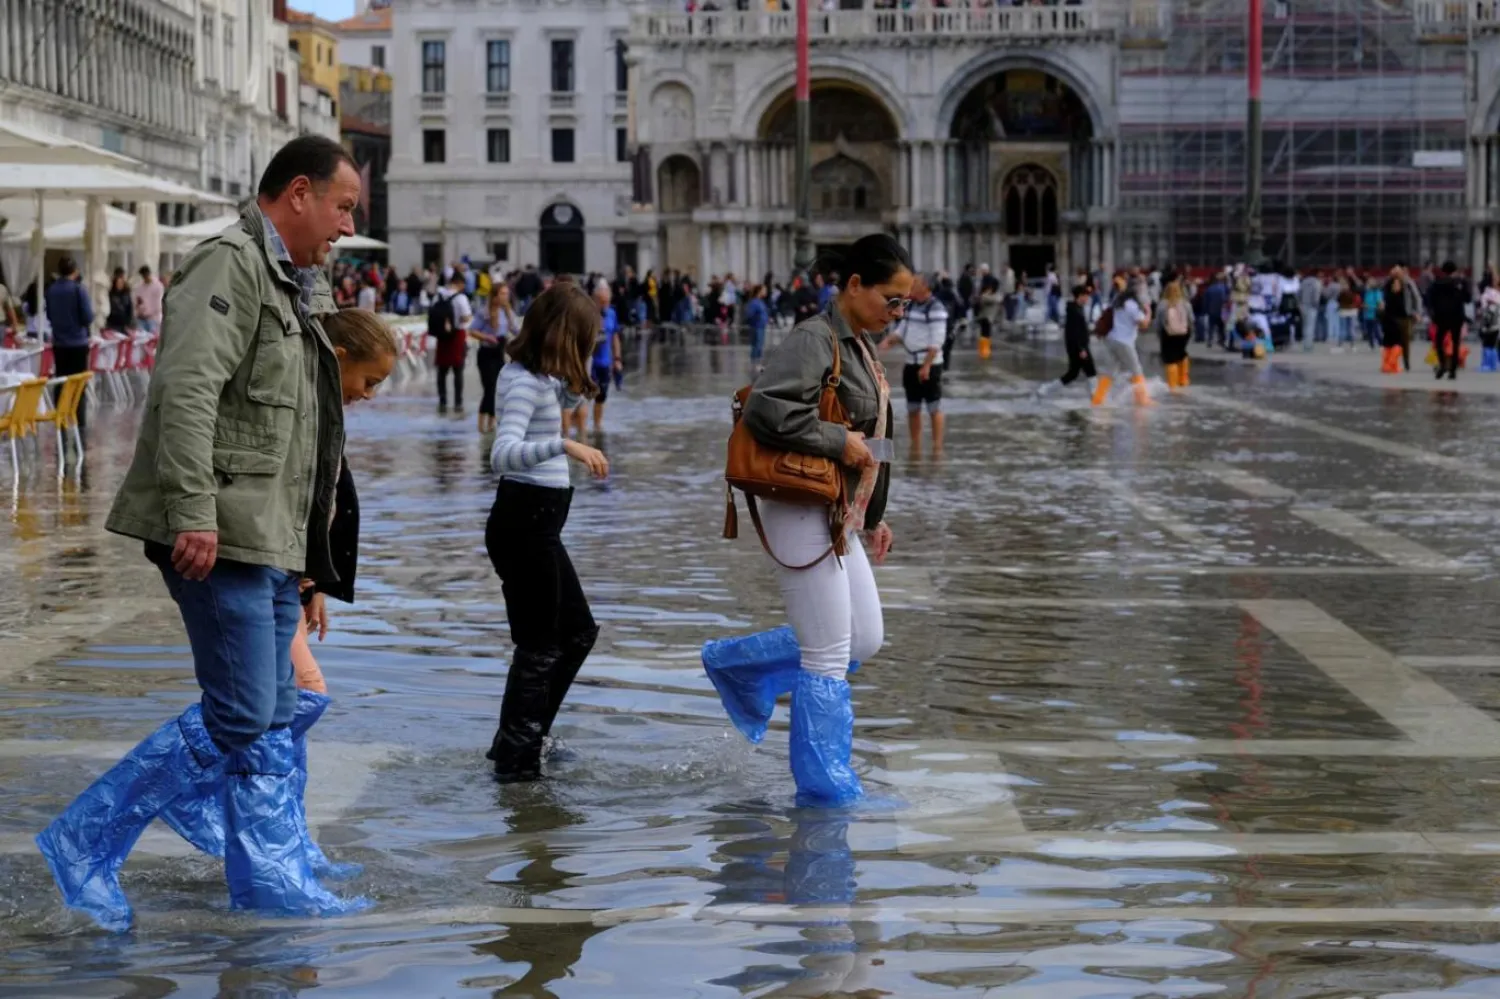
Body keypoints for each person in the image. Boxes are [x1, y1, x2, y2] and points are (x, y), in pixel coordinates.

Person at [37, 135, 366, 931]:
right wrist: (190, 510)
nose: (348, 225)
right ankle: (86, 838)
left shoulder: (294, 282)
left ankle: (270, 882)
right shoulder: (229, 263)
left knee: (275, 714)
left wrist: (308, 557)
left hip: (272, 538)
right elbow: (185, 391)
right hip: (221, 527)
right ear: (298, 193)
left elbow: (301, 430)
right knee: (243, 715)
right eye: (343, 205)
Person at [150, 308, 398, 883]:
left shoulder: (319, 402)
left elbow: (320, 493)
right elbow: (278, 484)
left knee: (285, 704)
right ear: (339, 361)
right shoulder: (297, 395)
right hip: (255, 560)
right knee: (267, 705)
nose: (372, 395)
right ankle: (254, 839)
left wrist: (315, 578)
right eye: (371, 381)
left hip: (285, 569)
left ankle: (280, 845)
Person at [704, 233, 909, 808]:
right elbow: (769, 409)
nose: (897, 312)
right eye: (891, 299)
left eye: (904, 303)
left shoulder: (860, 346)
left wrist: (874, 517)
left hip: (839, 509)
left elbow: (874, 440)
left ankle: (737, 666)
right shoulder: (814, 340)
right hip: (797, 504)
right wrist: (836, 443)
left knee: (864, 638)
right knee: (825, 654)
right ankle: (825, 792)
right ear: (854, 286)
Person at [484, 284, 610, 781]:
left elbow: (569, 394)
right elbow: (502, 454)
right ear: (561, 336)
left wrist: (578, 377)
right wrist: (564, 445)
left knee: (578, 633)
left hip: (539, 524)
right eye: (583, 341)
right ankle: (515, 762)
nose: (586, 351)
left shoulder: (539, 378)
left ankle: (530, 735)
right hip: (523, 523)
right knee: (539, 645)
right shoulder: (522, 383)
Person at [882, 273, 944, 456]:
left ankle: (937, 447)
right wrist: (888, 342)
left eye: (915, 282)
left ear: (925, 286)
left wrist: (926, 366)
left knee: (934, 406)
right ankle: (915, 446)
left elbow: (937, 340)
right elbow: (903, 330)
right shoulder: (913, 306)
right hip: (910, 362)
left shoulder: (936, 308)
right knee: (913, 407)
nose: (911, 285)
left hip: (929, 364)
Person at [43, 257, 95, 429]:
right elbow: (87, 316)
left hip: (59, 342)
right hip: (77, 342)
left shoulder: (51, 290)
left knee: (61, 379)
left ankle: (61, 418)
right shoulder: (78, 290)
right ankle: (79, 420)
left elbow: (49, 315)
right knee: (78, 383)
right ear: (75, 271)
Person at [571, 280, 622, 435]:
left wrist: (617, 359)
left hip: (604, 363)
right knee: (585, 397)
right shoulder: (587, 313)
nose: (604, 304)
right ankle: (581, 429)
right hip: (588, 362)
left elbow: (614, 337)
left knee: (601, 396)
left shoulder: (612, 314)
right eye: (601, 301)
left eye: (607, 301)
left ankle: (597, 427)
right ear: (594, 298)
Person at [1094, 281, 1153, 407]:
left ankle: (1098, 400)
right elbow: (1144, 324)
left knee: (1108, 372)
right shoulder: (1132, 305)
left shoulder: (1119, 302)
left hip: (1111, 340)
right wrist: (1148, 312)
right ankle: (1143, 400)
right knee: (1136, 371)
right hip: (1124, 342)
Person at [1036, 284, 1098, 400]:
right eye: (1085, 296)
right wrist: (1081, 349)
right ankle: (1095, 398)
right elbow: (1073, 332)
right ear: (1079, 296)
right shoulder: (1074, 311)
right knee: (1091, 371)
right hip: (1078, 347)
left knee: (1073, 374)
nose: (1087, 299)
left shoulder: (1077, 308)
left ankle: (1046, 389)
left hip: (1078, 346)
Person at [476, 282, 518, 432]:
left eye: (507, 294)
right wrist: (486, 337)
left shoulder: (508, 312)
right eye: (502, 294)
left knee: (499, 388)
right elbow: (472, 330)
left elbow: (515, 329)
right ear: (494, 295)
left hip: (500, 351)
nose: (505, 297)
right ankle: (481, 423)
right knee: (489, 387)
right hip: (486, 352)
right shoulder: (484, 312)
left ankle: (492, 423)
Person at [431, 271, 472, 411]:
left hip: (441, 336)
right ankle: (458, 402)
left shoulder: (439, 295)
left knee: (441, 371)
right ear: (460, 284)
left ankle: (442, 401)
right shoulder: (461, 298)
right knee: (458, 370)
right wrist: (457, 320)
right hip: (457, 335)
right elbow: (466, 317)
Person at [1427, 260, 1469, 381]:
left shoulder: (1437, 283)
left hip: (1442, 317)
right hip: (1457, 317)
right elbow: (1467, 298)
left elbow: (1430, 299)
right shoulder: (1460, 283)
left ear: (1443, 270)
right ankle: (1453, 370)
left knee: (1439, 341)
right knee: (1456, 343)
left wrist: (1433, 313)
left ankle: (1443, 364)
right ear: (1454, 270)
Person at [1157, 276, 1193, 391]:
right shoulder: (1186, 304)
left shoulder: (1163, 304)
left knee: (1170, 358)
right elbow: (1191, 319)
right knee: (1181, 354)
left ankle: (1173, 385)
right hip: (1183, 333)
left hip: (1168, 334)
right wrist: (1189, 333)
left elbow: (1159, 322)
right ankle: (1183, 380)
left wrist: (1159, 335)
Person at [1381, 268, 1412, 374]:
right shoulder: (1395, 295)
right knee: (1396, 343)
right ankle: (1390, 364)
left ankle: (1389, 365)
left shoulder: (1389, 291)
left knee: (1389, 343)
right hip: (1394, 321)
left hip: (1389, 320)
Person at [745, 282, 770, 366]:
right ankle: (754, 363)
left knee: (760, 345)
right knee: (756, 345)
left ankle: (758, 362)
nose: (766, 292)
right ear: (759, 291)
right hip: (756, 326)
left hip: (762, 326)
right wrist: (757, 319)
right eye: (764, 290)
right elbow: (749, 314)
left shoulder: (761, 301)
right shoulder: (754, 302)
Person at [133, 265, 164, 334]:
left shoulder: (158, 286)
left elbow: (159, 303)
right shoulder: (139, 287)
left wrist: (148, 313)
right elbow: (137, 301)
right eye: (143, 276)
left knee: (152, 339)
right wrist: (138, 311)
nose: (145, 277)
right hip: (141, 319)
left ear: (149, 274)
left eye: (146, 275)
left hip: (153, 318)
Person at [105, 267, 133, 333]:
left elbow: (129, 309)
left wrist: (128, 323)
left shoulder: (126, 294)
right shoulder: (111, 294)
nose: (119, 285)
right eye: (118, 283)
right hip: (112, 323)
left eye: (121, 283)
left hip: (123, 324)